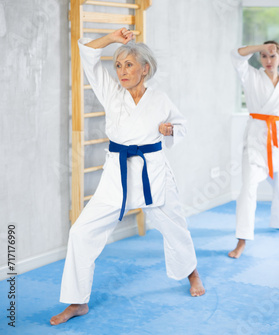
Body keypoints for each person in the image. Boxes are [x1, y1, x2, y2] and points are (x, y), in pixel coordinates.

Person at [50, 28, 205, 326]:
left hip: (153, 171)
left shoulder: (160, 99)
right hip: (117, 175)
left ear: (145, 69)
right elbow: (88, 54)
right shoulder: (111, 93)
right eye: (118, 65)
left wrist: (170, 130)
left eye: (129, 64)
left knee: (176, 228)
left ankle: (192, 273)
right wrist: (111, 38)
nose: (122, 71)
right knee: (81, 232)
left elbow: (181, 125)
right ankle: (77, 301)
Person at [228, 42, 279, 259]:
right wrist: (261, 45)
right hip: (256, 137)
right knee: (248, 188)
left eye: (272, 56)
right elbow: (235, 54)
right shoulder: (250, 75)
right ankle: (242, 239)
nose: (268, 60)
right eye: (263, 56)